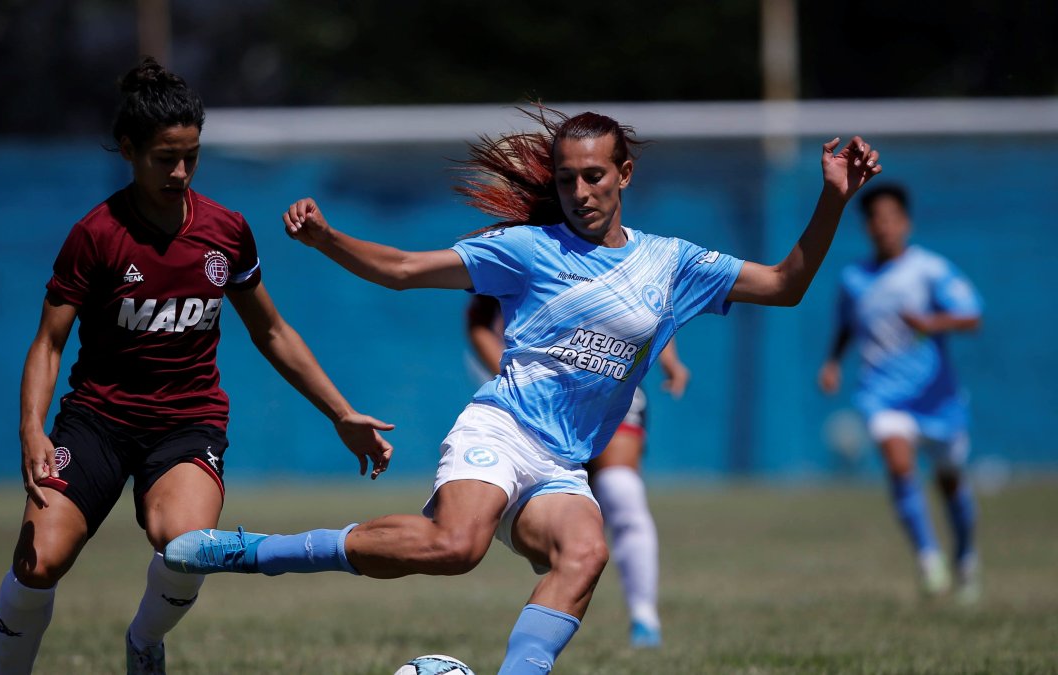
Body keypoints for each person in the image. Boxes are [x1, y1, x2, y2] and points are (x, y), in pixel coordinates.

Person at [166, 107, 882, 674]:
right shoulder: (527, 249)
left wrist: (832, 198)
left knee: (584, 552)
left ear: (624, 173)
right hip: (501, 431)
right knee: (456, 545)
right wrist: (329, 239)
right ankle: (254, 550)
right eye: (568, 179)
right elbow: (406, 269)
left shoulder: (672, 263)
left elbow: (786, 285)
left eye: (596, 176)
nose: (581, 192)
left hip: (561, 464)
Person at [0, 58, 393, 675]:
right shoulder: (96, 235)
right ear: (129, 150)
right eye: (164, 158)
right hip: (97, 420)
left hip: (186, 423)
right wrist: (32, 430)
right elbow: (48, 342)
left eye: (192, 157)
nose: (180, 172)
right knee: (39, 563)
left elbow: (272, 331)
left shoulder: (225, 232)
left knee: (186, 548)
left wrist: (341, 414)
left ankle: (144, 644)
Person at [467, 293, 688, 648]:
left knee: (622, 493)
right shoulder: (525, 242)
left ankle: (645, 618)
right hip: (538, 403)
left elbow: (654, 298)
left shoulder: (621, 244)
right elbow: (479, 321)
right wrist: (518, 381)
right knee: (541, 526)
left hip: (609, 392)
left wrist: (671, 358)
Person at [817, 183, 982, 604]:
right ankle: (929, 557)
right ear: (867, 226)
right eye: (875, 219)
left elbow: (971, 316)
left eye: (891, 218)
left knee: (950, 484)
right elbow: (846, 326)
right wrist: (833, 362)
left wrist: (932, 323)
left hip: (937, 398)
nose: (883, 227)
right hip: (882, 394)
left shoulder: (930, 270)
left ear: (905, 223)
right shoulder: (854, 278)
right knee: (898, 463)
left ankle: (965, 557)